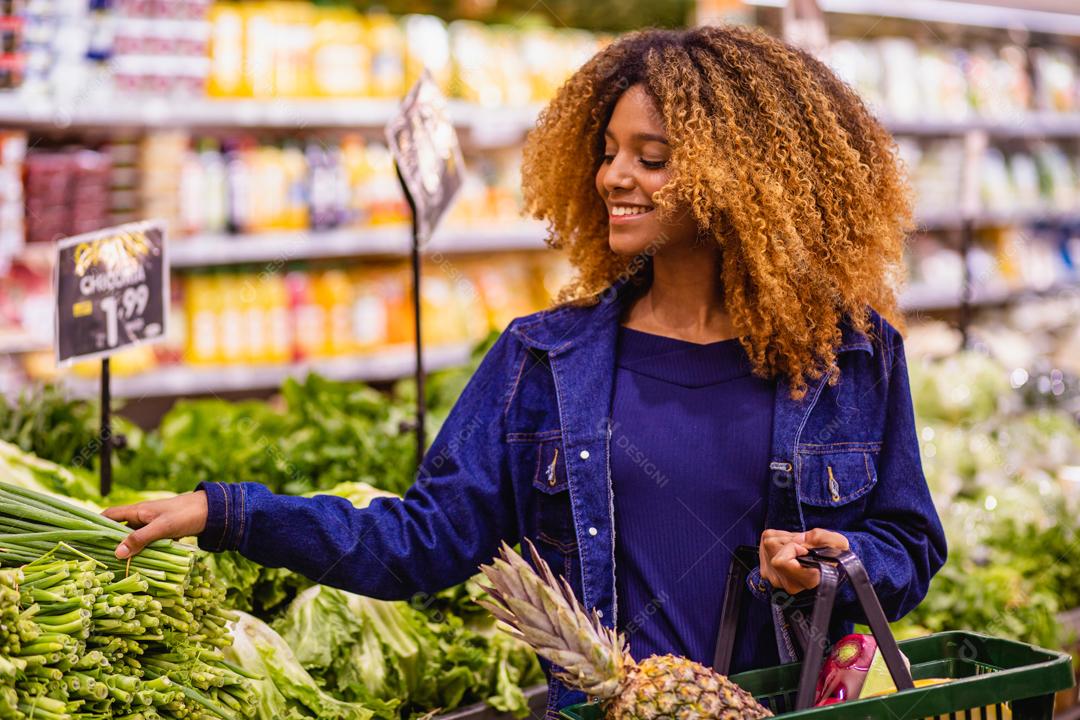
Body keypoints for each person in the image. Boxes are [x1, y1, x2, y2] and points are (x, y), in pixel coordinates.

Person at [105, 24, 947, 717]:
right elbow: (419, 543)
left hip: (791, 705)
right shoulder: (544, 360)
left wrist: (839, 562)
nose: (615, 176)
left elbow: (909, 540)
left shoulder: (851, 355)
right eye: (609, 151)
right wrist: (228, 512)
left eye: (652, 159)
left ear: (746, 184)